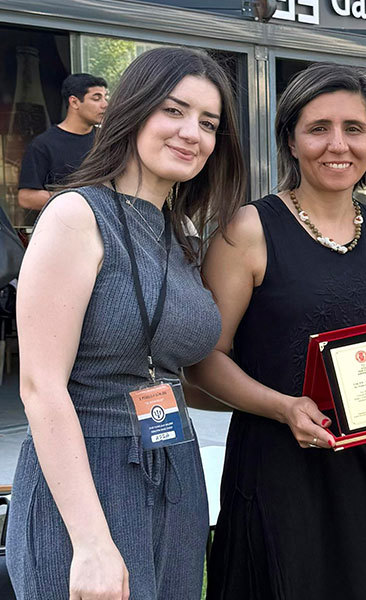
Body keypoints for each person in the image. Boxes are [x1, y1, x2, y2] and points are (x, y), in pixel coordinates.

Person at [185, 63, 366, 600]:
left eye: (354, 128)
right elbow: (204, 361)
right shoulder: (247, 230)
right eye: (318, 128)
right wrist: (283, 406)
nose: (338, 145)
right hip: (286, 470)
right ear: (291, 140)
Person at [6, 47, 245, 600]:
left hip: (175, 469)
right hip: (87, 478)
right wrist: (91, 542)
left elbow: (191, 365)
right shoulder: (76, 215)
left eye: (209, 123)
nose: (192, 133)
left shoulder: (180, 234)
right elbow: (41, 388)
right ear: (134, 111)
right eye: (174, 111)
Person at [17, 73, 108, 211]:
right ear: (74, 102)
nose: (105, 104)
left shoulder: (106, 140)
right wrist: (79, 199)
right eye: (96, 98)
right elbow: (26, 198)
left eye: (105, 97)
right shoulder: (43, 145)